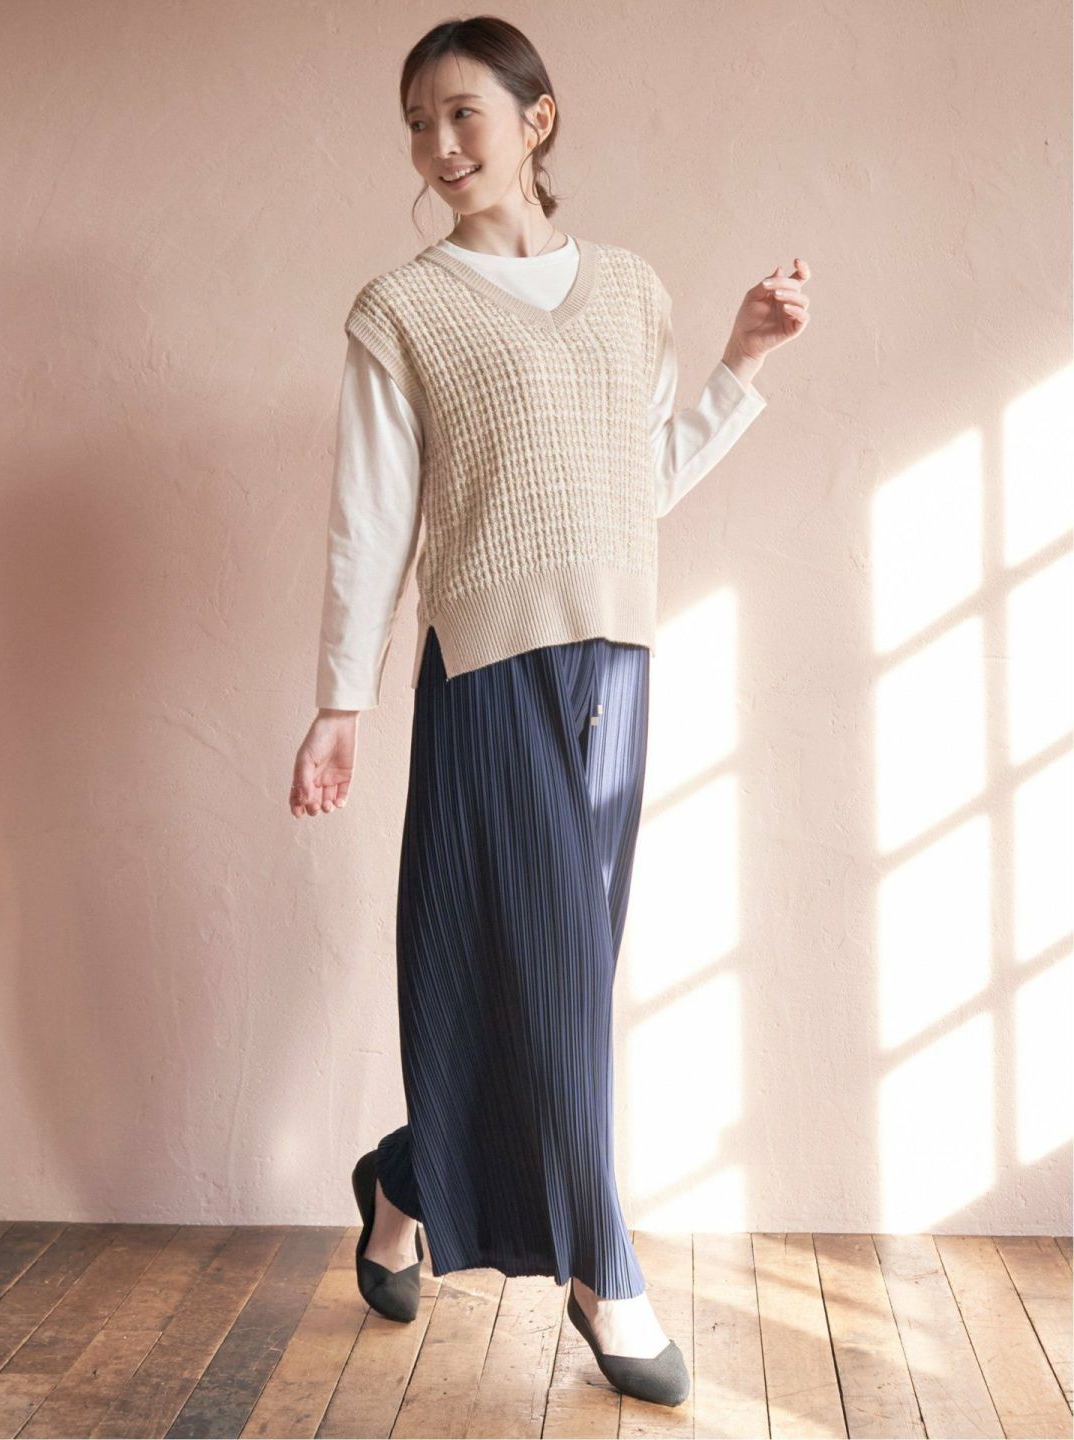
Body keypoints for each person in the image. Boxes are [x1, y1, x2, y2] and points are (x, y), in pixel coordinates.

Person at [290, 15, 810, 1407]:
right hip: (487, 672)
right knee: (558, 981)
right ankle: (603, 1273)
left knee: (558, 980)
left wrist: (740, 363)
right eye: (417, 122)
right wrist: (341, 700)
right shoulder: (404, 311)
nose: (438, 144)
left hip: (617, 669)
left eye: (462, 112)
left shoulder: (630, 291)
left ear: (538, 119)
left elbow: (636, 484)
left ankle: (408, 1183)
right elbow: (371, 523)